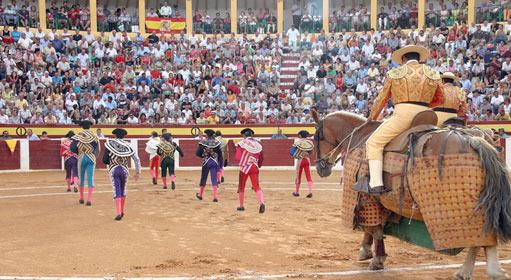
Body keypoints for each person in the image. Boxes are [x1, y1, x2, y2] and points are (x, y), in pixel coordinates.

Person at [353, 45, 444, 195]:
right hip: (427, 115)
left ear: (403, 59)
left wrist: (372, 117)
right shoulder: (433, 74)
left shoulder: (395, 73)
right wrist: (424, 104)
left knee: (373, 143)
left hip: (403, 115)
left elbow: (382, 99)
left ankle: (376, 185)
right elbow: (441, 99)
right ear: (419, 59)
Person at [102, 128, 141, 221]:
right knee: (123, 190)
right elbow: (136, 159)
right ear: (124, 136)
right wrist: (137, 172)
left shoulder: (110, 144)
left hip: (114, 169)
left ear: (114, 135)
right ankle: (122, 211)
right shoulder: (128, 145)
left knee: (117, 190)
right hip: (124, 170)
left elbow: (105, 160)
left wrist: (111, 159)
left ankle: (119, 212)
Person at [70, 120, 100, 206]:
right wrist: (94, 156)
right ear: (90, 126)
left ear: (81, 127)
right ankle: (89, 199)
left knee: (81, 177)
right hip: (91, 157)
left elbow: (72, 148)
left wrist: (79, 152)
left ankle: (82, 198)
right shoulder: (94, 136)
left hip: (82, 157)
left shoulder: (78, 136)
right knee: (90, 178)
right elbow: (98, 149)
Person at [235, 128, 265, 213]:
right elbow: (261, 157)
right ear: (252, 135)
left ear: (244, 135)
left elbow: (237, 157)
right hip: (254, 166)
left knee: (241, 186)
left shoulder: (241, 143)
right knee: (256, 186)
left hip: (244, 168)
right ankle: (261, 202)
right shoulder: (258, 144)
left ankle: (241, 206)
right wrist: (258, 165)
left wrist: (241, 163)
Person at [195, 129, 223, 202]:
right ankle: (215, 197)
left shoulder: (203, 142)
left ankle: (200, 195)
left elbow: (197, 153)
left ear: (206, 135)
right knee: (214, 179)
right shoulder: (217, 142)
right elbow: (220, 155)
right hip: (214, 162)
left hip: (206, 162)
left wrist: (204, 156)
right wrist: (220, 165)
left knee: (203, 178)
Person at [290, 130, 314, 198]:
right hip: (307, 160)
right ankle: (310, 191)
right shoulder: (310, 142)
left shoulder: (298, 142)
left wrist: (297, 155)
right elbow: (311, 152)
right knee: (308, 176)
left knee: (298, 176)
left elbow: (291, 151)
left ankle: (297, 192)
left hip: (300, 161)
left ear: (300, 135)